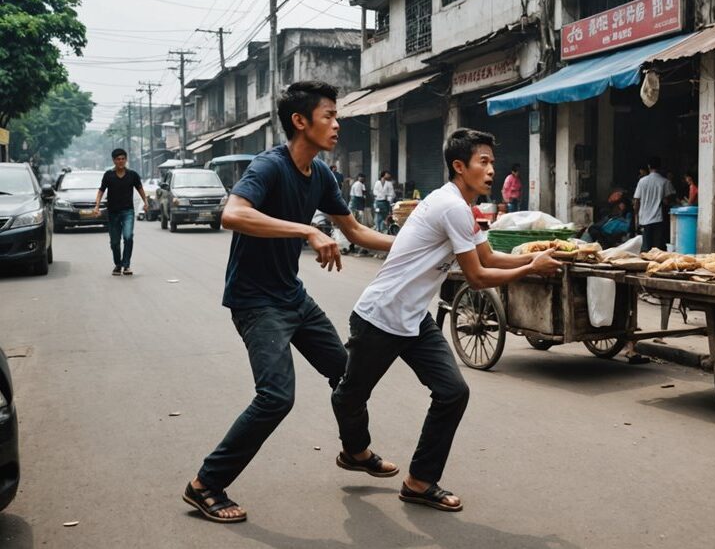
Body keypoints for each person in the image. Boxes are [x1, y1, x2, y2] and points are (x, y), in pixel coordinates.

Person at [183, 81, 395, 524]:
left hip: (292, 297)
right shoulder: (268, 167)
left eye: (337, 117)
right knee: (276, 396)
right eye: (329, 116)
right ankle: (206, 484)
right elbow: (232, 214)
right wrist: (306, 230)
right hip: (255, 302)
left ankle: (355, 451)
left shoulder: (321, 175)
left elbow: (355, 232)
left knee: (348, 374)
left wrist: (414, 244)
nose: (337, 125)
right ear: (300, 121)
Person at [332, 128, 561, 513]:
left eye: (492, 161)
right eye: (482, 162)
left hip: (414, 317)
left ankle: (419, 481)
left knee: (453, 391)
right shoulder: (451, 206)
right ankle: (356, 451)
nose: (491, 170)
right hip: (382, 315)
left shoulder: (459, 206)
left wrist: (535, 259)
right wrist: (530, 269)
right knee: (351, 395)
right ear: (459, 166)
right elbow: (477, 277)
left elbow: (488, 258)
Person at [93, 149, 147, 276]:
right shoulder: (108, 175)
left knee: (128, 237)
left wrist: (146, 202)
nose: (121, 161)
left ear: (126, 160)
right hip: (113, 212)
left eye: (123, 158)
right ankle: (118, 264)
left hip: (128, 211)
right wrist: (96, 206)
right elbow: (101, 191)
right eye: (118, 159)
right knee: (115, 242)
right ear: (114, 160)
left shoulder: (132, 175)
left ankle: (126, 265)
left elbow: (140, 188)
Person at [632, 157, 671, 252]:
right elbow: (666, 201)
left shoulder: (642, 181)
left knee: (645, 247)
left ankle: (646, 264)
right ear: (660, 167)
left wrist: (636, 216)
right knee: (657, 248)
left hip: (644, 218)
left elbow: (636, 201)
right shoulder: (665, 182)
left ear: (649, 166)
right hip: (658, 219)